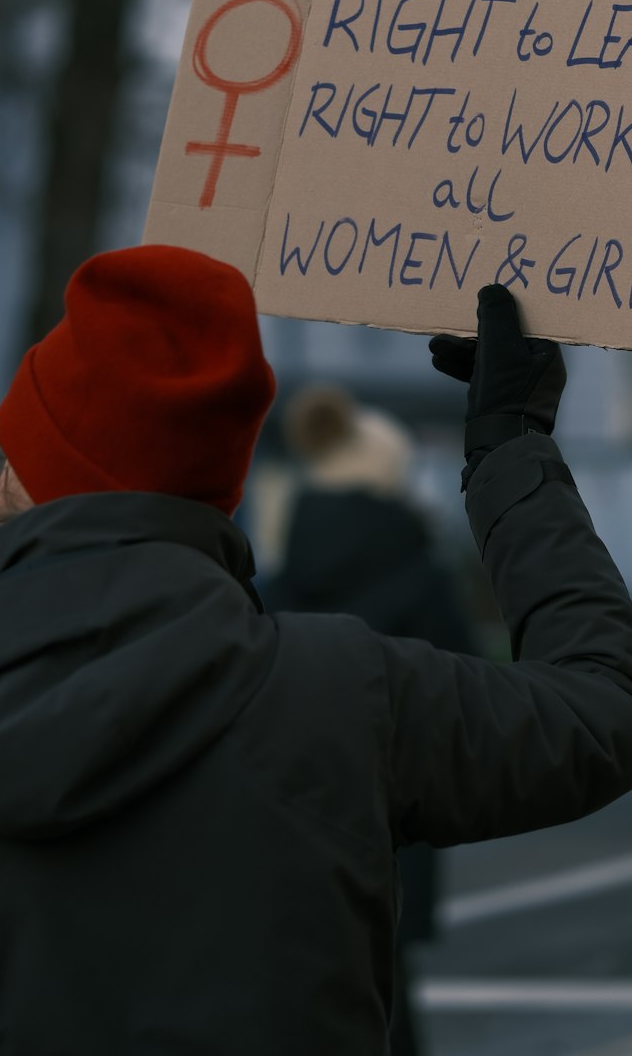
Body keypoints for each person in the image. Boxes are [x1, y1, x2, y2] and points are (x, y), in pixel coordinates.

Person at [0, 244, 632, 1056]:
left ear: (17, 479)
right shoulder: (340, 690)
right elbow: (604, 712)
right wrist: (507, 445)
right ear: (217, 490)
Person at [273, 384, 477, 1055]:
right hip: (391, 811)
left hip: (293, 817)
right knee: (387, 997)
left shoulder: (279, 581)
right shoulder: (419, 575)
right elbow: (468, 698)